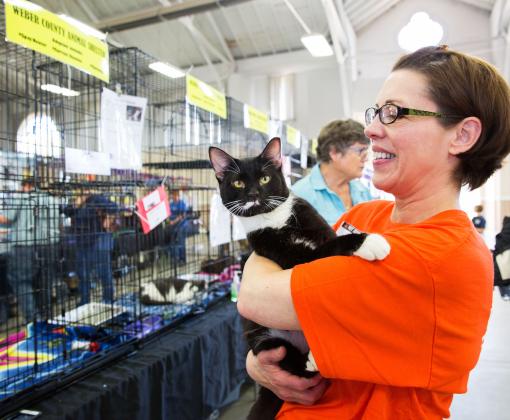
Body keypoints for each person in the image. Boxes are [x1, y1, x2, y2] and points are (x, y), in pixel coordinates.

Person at [237, 45, 510, 419]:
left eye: (394, 113)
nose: (371, 129)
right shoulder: (366, 215)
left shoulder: (437, 256)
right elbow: (269, 258)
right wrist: (258, 365)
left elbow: (255, 295)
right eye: (376, 112)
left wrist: (262, 265)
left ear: (461, 135)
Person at [0, 178, 62, 322]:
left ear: (27, 186)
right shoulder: (52, 200)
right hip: (50, 246)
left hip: (25, 246)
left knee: (21, 281)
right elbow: (59, 224)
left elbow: (5, 219)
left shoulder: (22, 197)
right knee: (44, 282)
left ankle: (33, 319)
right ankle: (46, 317)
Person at [292, 119, 372, 225]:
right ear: (334, 153)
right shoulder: (300, 195)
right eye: (360, 151)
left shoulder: (363, 192)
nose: (365, 159)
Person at [62, 193, 119, 305]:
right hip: (82, 243)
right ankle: (85, 301)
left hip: (97, 242)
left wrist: (108, 218)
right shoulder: (79, 203)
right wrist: (76, 204)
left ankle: (108, 300)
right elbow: (66, 211)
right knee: (83, 275)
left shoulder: (97, 199)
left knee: (104, 273)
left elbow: (113, 207)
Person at [493, 216, 510, 300]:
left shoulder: (502, 234)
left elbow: (498, 246)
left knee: (501, 274)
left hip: (504, 259)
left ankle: (505, 294)